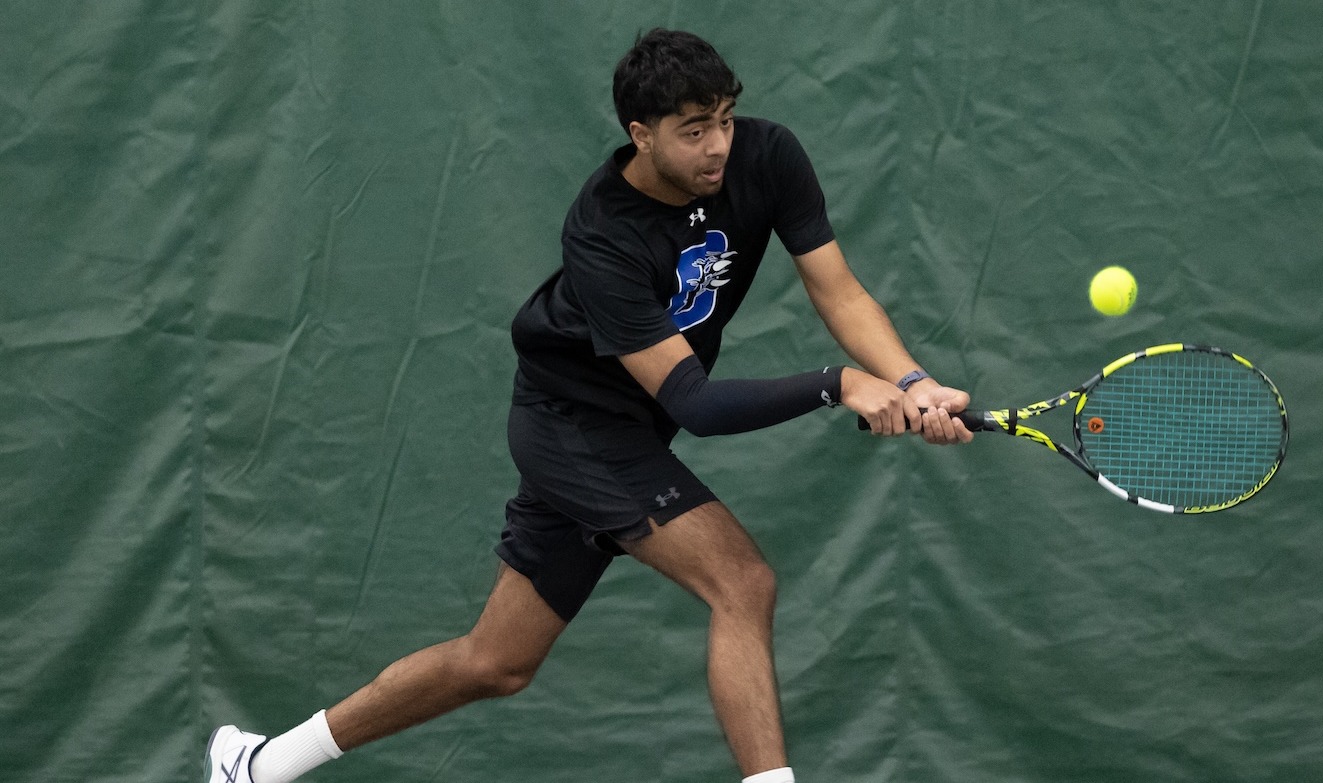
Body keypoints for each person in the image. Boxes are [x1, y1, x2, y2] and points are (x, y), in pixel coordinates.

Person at [205, 28, 973, 783]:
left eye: (726, 120)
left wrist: (909, 382)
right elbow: (694, 403)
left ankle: (257, 765)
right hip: (573, 428)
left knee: (495, 661)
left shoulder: (767, 156)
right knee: (742, 582)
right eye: (693, 129)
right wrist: (837, 385)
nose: (718, 146)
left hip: (626, 433)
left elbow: (837, 288)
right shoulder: (602, 234)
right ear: (640, 135)